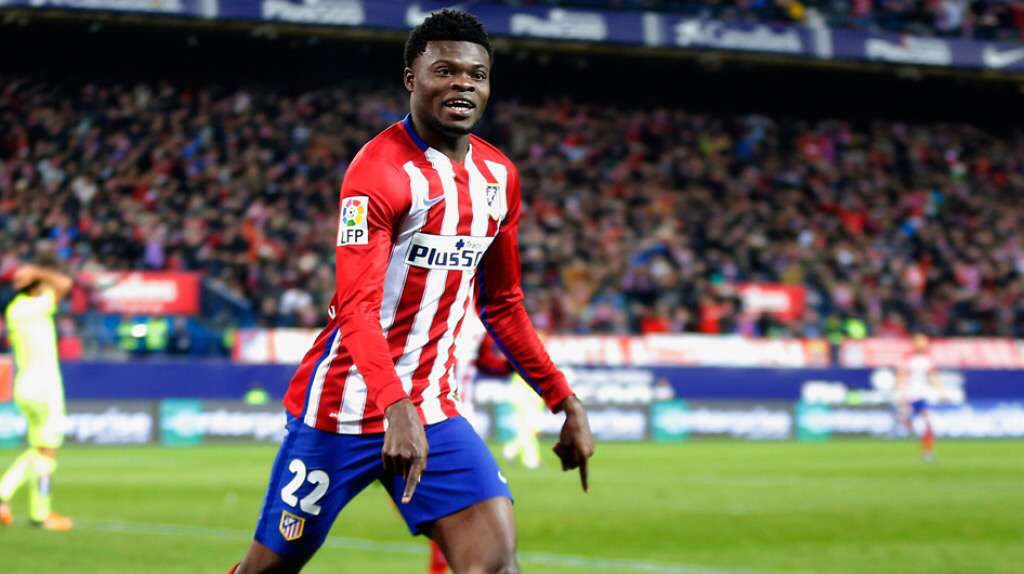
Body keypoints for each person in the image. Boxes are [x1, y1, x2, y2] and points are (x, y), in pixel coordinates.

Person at [231, 10, 594, 574]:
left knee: (494, 566)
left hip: (432, 409)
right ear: (411, 78)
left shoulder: (500, 178)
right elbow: (356, 308)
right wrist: (393, 406)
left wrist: (563, 399)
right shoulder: (377, 172)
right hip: (341, 409)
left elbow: (502, 305)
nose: (462, 85)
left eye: (476, 75)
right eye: (444, 71)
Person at [0, 256, 74, 530]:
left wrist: (33, 275)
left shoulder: (15, 309)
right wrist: (39, 272)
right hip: (45, 386)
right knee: (46, 453)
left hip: (24, 384)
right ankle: (37, 513)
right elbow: (64, 283)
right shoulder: (36, 306)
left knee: (37, 450)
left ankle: (31, 509)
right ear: (35, 286)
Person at [895, 333, 941, 462]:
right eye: (920, 342)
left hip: (924, 395)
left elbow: (933, 376)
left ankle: (927, 452)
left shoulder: (929, 359)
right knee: (913, 424)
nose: (923, 344)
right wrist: (900, 394)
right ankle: (905, 421)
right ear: (914, 343)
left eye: (925, 342)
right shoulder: (908, 359)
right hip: (910, 394)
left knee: (928, 422)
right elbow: (901, 376)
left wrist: (941, 391)